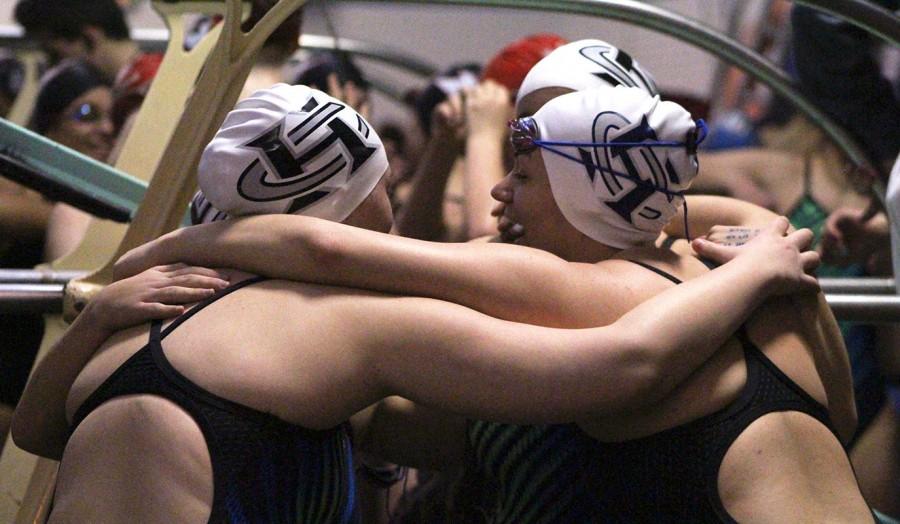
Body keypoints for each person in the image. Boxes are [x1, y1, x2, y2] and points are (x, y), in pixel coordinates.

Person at [12, 84, 820, 523]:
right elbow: (626, 363)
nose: (500, 196)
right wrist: (752, 272)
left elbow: (34, 432)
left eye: (525, 178)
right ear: (358, 207)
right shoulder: (348, 322)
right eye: (386, 189)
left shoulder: (153, 309)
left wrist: (105, 304)